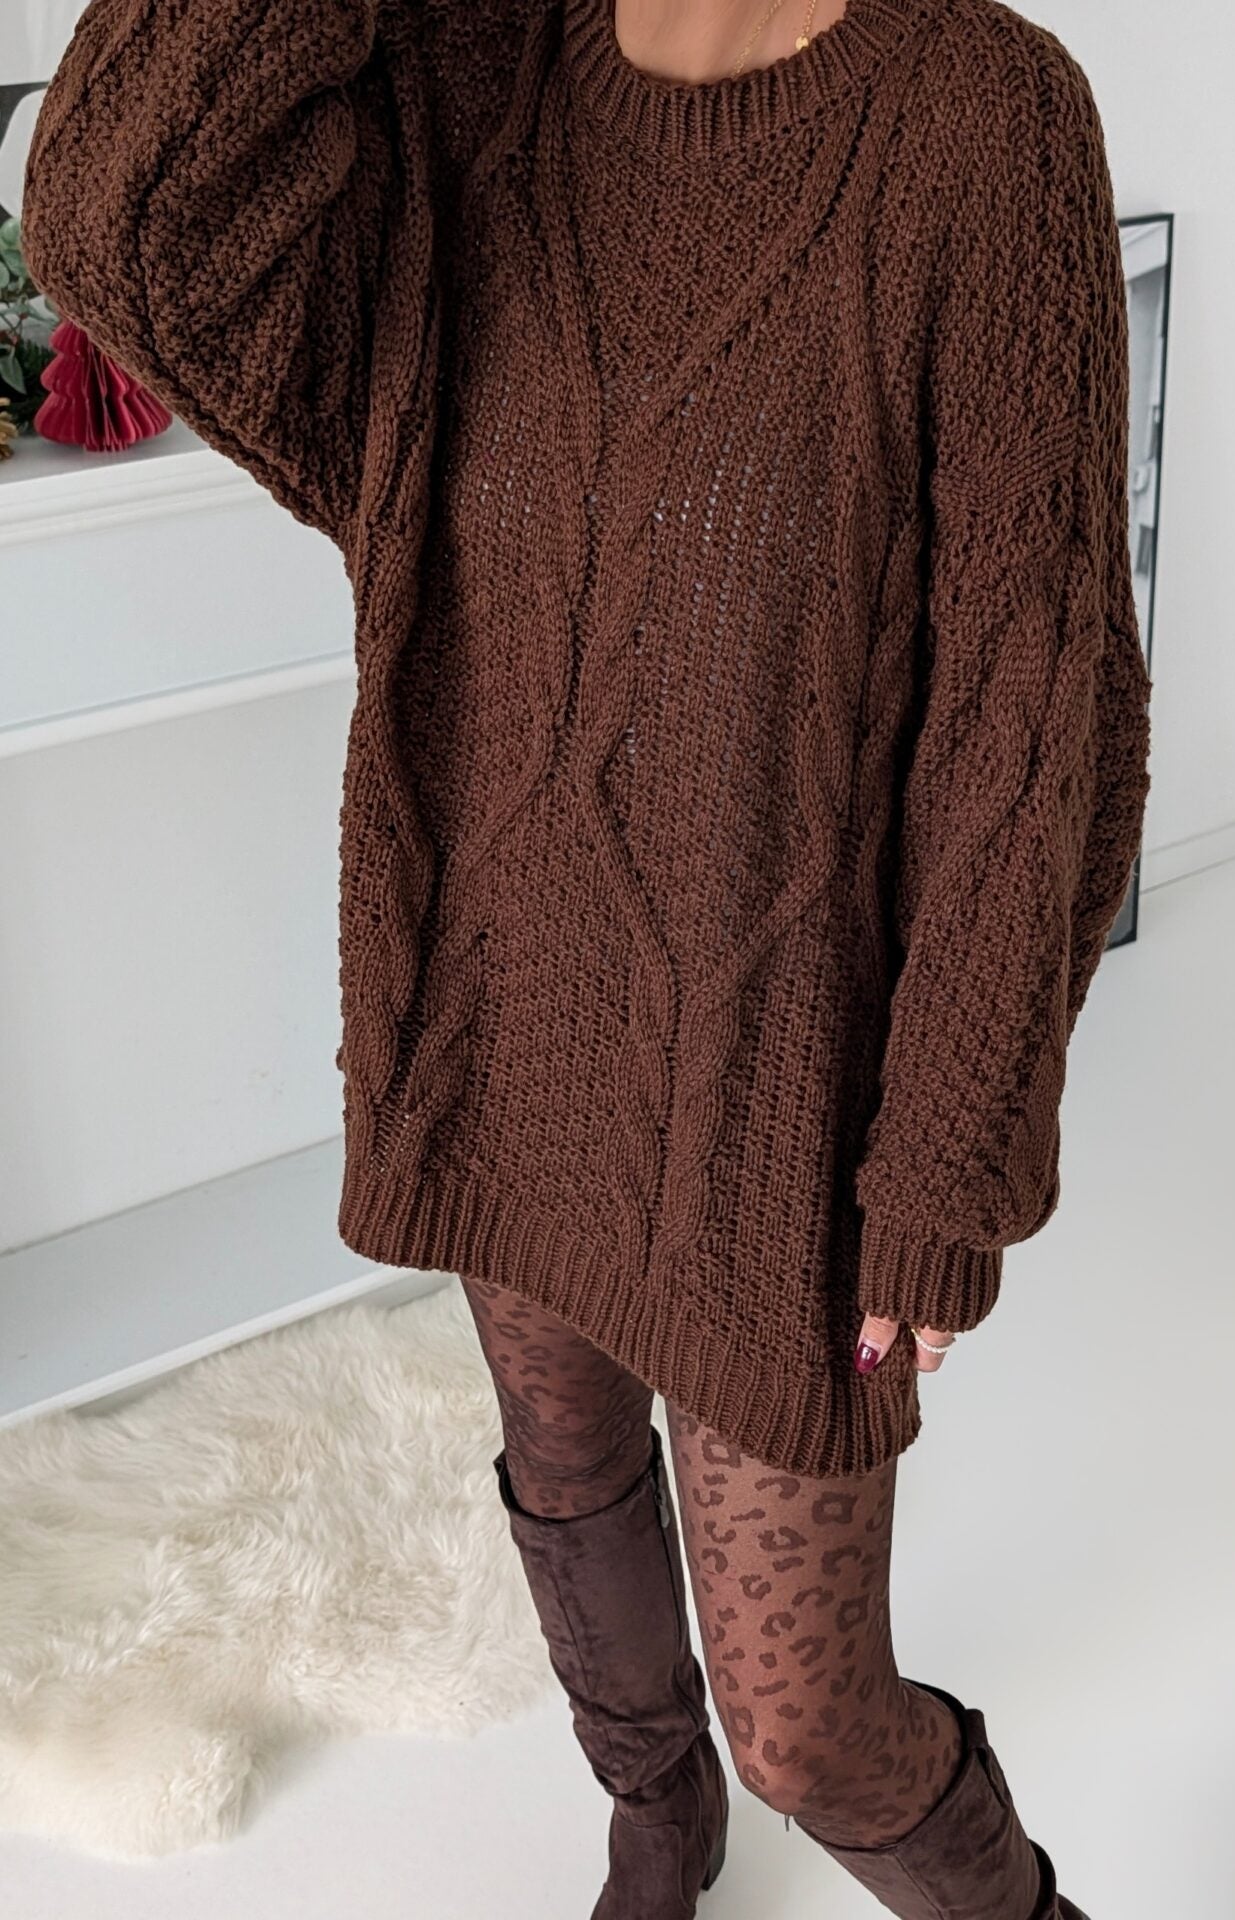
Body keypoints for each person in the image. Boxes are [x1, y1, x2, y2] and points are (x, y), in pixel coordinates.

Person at [23, 0, 1152, 1911]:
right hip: (502, 1000)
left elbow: (1032, 707)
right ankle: (651, 1802)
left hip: (782, 1079)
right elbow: (116, 220)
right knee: (560, 1466)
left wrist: (947, 1159)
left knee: (807, 1722)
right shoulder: (472, 73)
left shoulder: (982, 117)